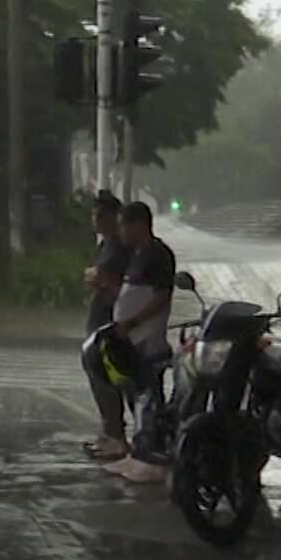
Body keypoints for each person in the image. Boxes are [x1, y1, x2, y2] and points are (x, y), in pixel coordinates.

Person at [104, 201, 176, 483]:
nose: (120, 231)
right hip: (129, 337)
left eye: (123, 225)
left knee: (148, 394)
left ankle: (152, 454)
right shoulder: (137, 255)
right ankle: (140, 450)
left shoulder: (158, 254)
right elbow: (132, 292)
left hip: (148, 337)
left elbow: (161, 296)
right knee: (135, 392)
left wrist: (134, 322)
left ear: (138, 224)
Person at [82, 190, 132, 461]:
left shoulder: (122, 247)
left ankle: (116, 436)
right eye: (94, 215)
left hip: (111, 322)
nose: (96, 220)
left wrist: (100, 279)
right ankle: (109, 432)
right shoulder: (107, 245)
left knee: (108, 378)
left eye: (102, 215)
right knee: (98, 377)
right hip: (98, 318)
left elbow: (123, 287)